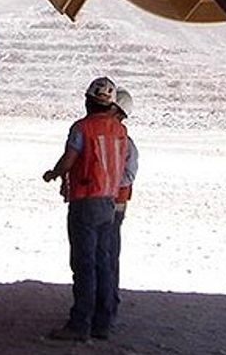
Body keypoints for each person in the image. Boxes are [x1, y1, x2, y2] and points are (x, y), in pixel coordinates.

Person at [41, 76, 129, 342]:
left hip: (86, 201)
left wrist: (53, 173)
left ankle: (79, 324)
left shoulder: (82, 128)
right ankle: (102, 324)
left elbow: (70, 159)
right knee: (104, 263)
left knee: (84, 264)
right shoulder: (120, 131)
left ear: (88, 101)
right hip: (109, 204)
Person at [110, 87, 138, 331]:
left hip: (111, 207)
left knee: (106, 257)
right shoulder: (120, 140)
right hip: (108, 204)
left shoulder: (125, 143)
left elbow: (126, 176)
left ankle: (107, 310)